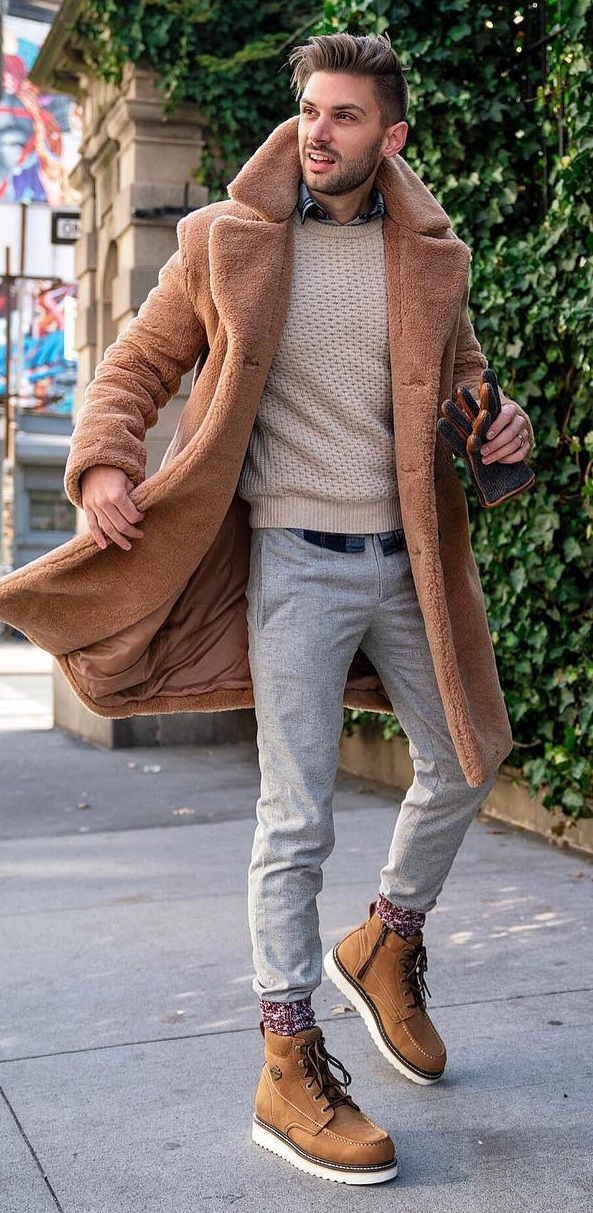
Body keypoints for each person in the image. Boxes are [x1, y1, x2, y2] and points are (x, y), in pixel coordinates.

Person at [0, 32, 534, 1187]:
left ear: (390, 137)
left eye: (343, 116)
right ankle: (286, 1058)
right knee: (294, 820)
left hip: (410, 561)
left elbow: (466, 386)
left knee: (466, 756)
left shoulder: (433, 257)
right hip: (291, 557)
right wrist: (100, 463)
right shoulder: (225, 242)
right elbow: (135, 365)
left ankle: (384, 943)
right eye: (307, 109)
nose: (316, 131)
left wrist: (499, 424)